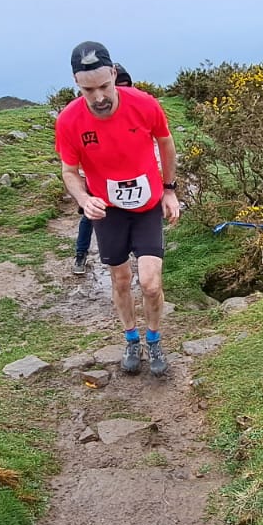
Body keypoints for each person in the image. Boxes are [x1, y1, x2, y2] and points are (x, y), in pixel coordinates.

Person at [56, 41, 181, 376]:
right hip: (108, 210)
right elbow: (69, 172)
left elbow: (166, 142)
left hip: (147, 204)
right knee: (121, 279)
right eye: (88, 89)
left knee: (151, 283)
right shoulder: (69, 121)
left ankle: (153, 340)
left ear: (114, 74)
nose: (98, 97)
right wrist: (84, 200)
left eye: (104, 86)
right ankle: (130, 339)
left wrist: (169, 190)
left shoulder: (144, 104)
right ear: (76, 84)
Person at [72, 62, 134, 275]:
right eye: (121, 86)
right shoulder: (85, 115)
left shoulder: (133, 109)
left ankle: (134, 251)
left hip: (127, 178)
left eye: (128, 87)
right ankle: (80, 255)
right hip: (95, 178)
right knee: (89, 216)